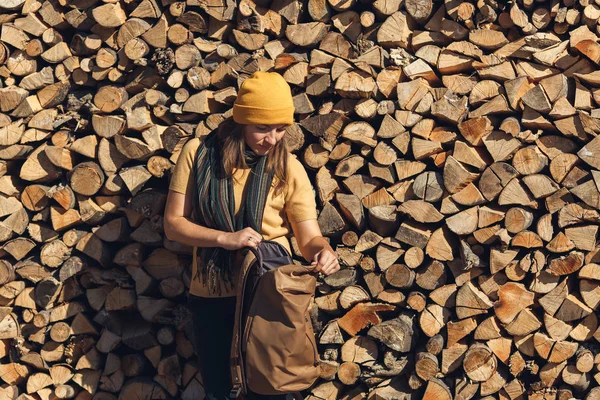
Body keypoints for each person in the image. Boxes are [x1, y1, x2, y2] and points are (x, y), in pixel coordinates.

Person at [163, 71, 340, 400]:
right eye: (262, 127)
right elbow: (174, 224)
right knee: (221, 392)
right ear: (242, 120)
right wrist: (224, 239)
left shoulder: (288, 167)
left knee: (272, 391)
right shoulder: (198, 155)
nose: (271, 138)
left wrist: (323, 251)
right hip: (213, 296)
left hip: (269, 298)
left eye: (280, 128)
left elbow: (309, 238)